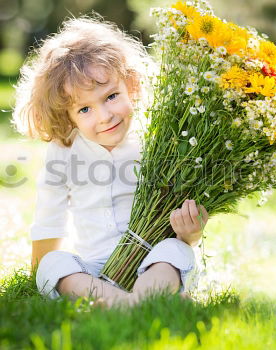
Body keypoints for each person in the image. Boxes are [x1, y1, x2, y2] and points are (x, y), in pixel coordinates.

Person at [11, 15, 209, 308]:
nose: (105, 116)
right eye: (85, 109)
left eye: (112, 96)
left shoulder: (157, 139)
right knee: (53, 264)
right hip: (93, 271)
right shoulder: (64, 149)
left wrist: (190, 234)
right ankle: (134, 303)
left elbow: (181, 220)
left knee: (174, 252)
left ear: (132, 84)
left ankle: (128, 303)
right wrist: (41, 274)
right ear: (68, 116)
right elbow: (48, 219)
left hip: (153, 260)